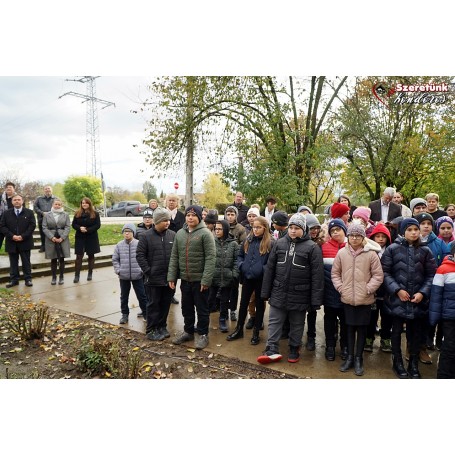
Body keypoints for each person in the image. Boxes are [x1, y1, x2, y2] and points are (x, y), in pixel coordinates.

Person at [257, 213, 324, 364]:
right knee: (274, 321)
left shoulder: (312, 248)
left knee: (297, 323)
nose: (293, 231)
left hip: (300, 294)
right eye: (291, 227)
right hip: (278, 291)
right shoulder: (279, 244)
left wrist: (315, 301)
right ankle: (271, 348)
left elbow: (317, 276)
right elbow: (270, 270)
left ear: (304, 229)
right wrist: (265, 292)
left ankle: (294, 347)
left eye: (297, 228)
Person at [381, 218, 437, 379]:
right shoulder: (392, 249)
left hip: (417, 300)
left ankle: (413, 362)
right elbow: (385, 272)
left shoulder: (425, 251)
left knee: (415, 333)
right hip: (398, 300)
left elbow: (431, 275)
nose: (413, 232)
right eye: (409, 229)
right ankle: (397, 361)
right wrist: (397, 290)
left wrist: (422, 293)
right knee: (397, 331)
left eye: (415, 229)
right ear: (403, 231)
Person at [331, 224, 383, 376]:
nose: (354, 238)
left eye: (358, 236)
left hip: (365, 299)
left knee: (361, 329)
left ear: (363, 238)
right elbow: (335, 273)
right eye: (352, 235)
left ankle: (359, 358)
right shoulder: (342, 253)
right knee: (348, 328)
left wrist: (368, 289)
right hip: (347, 298)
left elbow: (378, 275)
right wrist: (341, 288)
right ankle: (350, 358)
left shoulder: (371, 254)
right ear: (348, 237)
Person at [168, 205, 216, 350]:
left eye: (193, 215)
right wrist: (172, 276)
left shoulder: (205, 234)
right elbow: (175, 256)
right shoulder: (180, 234)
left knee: (202, 309)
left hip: (200, 281)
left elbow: (211, 258)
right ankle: (188, 331)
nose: (190, 217)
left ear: (200, 217)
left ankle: (202, 334)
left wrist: (206, 280)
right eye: (188, 215)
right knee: (186, 307)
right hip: (185, 280)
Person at [227, 216, 274, 345]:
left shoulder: (270, 243)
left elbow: (271, 262)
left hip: (261, 279)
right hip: (247, 277)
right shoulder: (248, 240)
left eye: (258, 227)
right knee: (243, 304)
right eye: (254, 227)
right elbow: (240, 256)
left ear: (265, 228)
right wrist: (242, 266)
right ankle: (238, 329)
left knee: (259, 305)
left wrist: (261, 270)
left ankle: (256, 332)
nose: (256, 230)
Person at [136, 207, 176, 341]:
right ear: (157, 221)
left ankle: (161, 326)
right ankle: (151, 329)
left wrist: (174, 274)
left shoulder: (172, 235)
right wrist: (148, 271)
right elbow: (140, 255)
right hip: (153, 279)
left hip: (169, 278)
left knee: (165, 304)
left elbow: (176, 256)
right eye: (165, 220)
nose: (168, 223)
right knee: (153, 305)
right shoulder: (146, 236)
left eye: (168, 220)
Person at [415, 212, 450, 356]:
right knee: (413, 319)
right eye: (423, 224)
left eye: (429, 224)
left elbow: (446, 262)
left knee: (427, 318)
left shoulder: (439, 243)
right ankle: (411, 347)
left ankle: (424, 345)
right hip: (414, 285)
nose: (426, 226)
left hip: (433, 285)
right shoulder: (412, 241)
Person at [321, 219, 348, 361]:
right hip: (329, 292)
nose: (335, 232)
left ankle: (345, 346)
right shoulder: (324, 247)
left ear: (345, 230)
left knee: (345, 321)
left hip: (347, 293)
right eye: (332, 230)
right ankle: (330, 346)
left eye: (338, 229)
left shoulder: (352, 246)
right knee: (329, 320)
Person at [112, 223, 149, 325]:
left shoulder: (139, 244)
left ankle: (146, 314)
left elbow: (144, 258)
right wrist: (118, 270)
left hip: (137, 275)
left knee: (142, 296)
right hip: (123, 276)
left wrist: (141, 270)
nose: (127, 234)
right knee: (124, 296)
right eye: (125, 232)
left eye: (129, 232)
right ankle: (124, 315)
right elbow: (115, 259)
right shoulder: (119, 245)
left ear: (133, 233)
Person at [365, 223, 393, 353]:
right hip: (373, 292)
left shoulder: (391, 251)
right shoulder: (369, 251)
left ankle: (385, 339)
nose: (381, 239)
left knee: (387, 317)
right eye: (378, 236)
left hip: (387, 292)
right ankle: (368, 338)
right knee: (371, 317)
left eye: (383, 236)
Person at [429, 243, 455, 378]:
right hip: (450, 316)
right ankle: (444, 376)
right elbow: (436, 296)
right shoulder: (443, 269)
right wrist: (434, 318)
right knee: (449, 347)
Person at [209, 220, 239, 332]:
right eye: (216, 228)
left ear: (225, 230)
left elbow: (237, 260)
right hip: (213, 277)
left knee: (224, 301)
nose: (217, 231)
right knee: (210, 299)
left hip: (227, 278)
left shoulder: (233, 244)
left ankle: (222, 319)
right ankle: (204, 321)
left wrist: (234, 274)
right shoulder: (212, 242)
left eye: (220, 229)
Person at [0, 193, 36, 287]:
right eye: (15, 200)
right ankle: (14, 280)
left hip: (25, 242)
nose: (17, 201)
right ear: (12, 202)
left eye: (19, 200)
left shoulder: (29, 212)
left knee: (26, 262)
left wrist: (22, 236)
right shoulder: (6, 213)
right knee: (13, 262)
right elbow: (2, 226)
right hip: (11, 242)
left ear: (22, 201)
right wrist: (12, 236)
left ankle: (28, 279)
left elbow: (32, 226)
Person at [224, 205, 246, 322]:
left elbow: (244, 245)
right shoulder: (222, 225)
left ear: (236, 216)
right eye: (228, 214)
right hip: (222, 262)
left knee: (234, 288)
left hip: (235, 262)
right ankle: (223, 309)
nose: (230, 216)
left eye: (232, 214)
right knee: (222, 288)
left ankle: (232, 310)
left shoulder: (240, 228)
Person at [71, 197, 101, 283]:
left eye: (86, 203)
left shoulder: (95, 213)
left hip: (91, 237)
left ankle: (90, 273)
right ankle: (77, 275)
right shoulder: (77, 213)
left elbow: (97, 225)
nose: (84, 204)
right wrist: (80, 228)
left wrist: (87, 230)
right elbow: (73, 224)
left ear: (89, 204)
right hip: (80, 237)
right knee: (79, 256)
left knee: (91, 256)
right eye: (83, 203)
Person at [42, 198, 71, 285]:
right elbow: (44, 227)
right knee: (53, 259)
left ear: (61, 206)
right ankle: (54, 277)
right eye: (56, 204)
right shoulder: (47, 215)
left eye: (59, 204)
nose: (57, 206)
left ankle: (61, 277)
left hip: (63, 239)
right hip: (51, 239)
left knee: (61, 258)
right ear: (53, 205)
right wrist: (52, 237)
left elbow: (68, 227)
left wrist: (62, 237)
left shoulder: (65, 215)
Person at [34, 185, 56, 252]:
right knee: (42, 233)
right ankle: (43, 246)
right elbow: (35, 207)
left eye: (48, 188)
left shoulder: (56, 199)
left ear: (51, 190)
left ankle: (52, 247)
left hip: (52, 219)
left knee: (52, 233)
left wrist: (50, 213)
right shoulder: (39, 199)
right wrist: (42, 213)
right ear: (44, 190)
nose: (47, 190)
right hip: (41, 219)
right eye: (46, 189)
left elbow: (58, 207)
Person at [0, 181, 16, 250]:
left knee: (12, 244)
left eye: (10, 187)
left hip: (13, 224)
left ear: (14, 189)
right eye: (7, 187)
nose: (8, 188)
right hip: (1, 223)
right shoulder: (1, 198)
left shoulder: (18, 198)